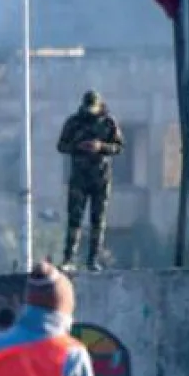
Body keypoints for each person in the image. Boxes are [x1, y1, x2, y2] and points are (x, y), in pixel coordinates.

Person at [56, 90, 124, 271]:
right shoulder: (74, 122)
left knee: (98, 220)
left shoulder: (108, 123)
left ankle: (93, 259)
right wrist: (77, 146)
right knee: (74, 219)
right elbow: (61, 145)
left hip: (100, 178)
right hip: (79, 178)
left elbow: (118, 147)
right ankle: (69, 258)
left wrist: (101, 147)